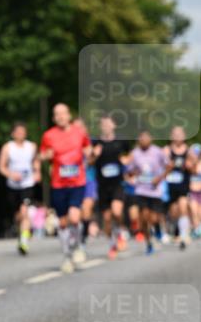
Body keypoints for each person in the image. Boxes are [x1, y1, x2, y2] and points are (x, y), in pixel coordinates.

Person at [39, 104, 92, 273]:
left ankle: (77, 247)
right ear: (54, 118)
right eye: (57, 114)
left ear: (69, 115)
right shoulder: (49, 135)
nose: (61, 117)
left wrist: (91, 153)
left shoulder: (79, 132)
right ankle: (66, 256)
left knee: (75, 218)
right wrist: (46, 156)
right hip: (58, 184)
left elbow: (87, 148)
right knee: (62, 223)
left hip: (77, 181)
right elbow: (42, 155)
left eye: (63, 113)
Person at [0, 122, 40, 255]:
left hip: (27, 184)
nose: (21, 134)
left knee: (24, 211)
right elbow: (1, 167)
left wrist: (37, 172)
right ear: (13, 133)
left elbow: (35, 161)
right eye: (18, 131)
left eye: (23, 131)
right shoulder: (7, 147)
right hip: (13, 186)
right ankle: (22, 233)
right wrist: (11, 174)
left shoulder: (31, 146)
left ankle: (24, 241)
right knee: (18, 215)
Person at [91, 115, 129, 259]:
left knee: (117, 212)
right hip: (102, 185)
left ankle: (121, 232)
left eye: (108, 123)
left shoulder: (121, 141)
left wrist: (126, 161)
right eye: (103, 124)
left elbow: (129, 155)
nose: (106, 126)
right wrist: (95, 155)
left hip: (117, 184)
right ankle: (112, 244)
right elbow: (89, 163)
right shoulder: (96, 143)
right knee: (106, 219)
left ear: (114, 125)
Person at [125, 130, 168, 255]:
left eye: (146, 137)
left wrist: (159, 178)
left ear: (151, 139)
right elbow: (129, 171)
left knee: (154, 218)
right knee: (143, 217)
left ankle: (157, 228)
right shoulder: (135, 153)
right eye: (141, 138)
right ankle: (149, 242)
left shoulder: (158, 152)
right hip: (141, 190)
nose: (143, 140)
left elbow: (169, 165)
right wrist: (133, 175)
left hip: (155, 190)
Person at [164, 126, 192, 249]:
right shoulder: (166, 150)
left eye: (180, 134)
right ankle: (175, 229)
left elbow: (194, 169)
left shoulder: (189, 151)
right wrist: (167, 167)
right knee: (174, 211)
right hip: (170, 185)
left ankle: (184, 235)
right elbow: (160, 168)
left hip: (183, 184)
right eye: (175, 134)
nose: (178, 136)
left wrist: (190, 166)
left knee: (183, 207)